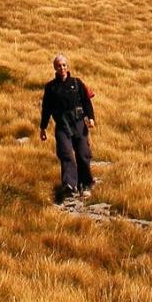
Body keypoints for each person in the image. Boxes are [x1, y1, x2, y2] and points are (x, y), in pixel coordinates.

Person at [39, 53, 96, 199]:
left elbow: (86, 102)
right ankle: (70, 185)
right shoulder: (51, 88)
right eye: (59, 66)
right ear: (55, 68)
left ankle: (85, 184)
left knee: (83, 154)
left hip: (78, 124)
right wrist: (43, 128)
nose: (62, 68)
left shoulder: (77, 83)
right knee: (65, 154)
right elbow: (46, 109)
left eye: (64, 65)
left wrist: (90, 118)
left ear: (67, 66)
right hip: (62, 126)